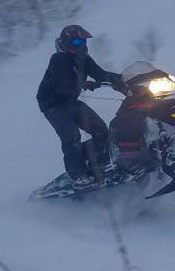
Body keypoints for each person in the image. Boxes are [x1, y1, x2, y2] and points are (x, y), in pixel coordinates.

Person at [36, 25, 123, 189]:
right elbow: (64, 85)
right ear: (67, 42)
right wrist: (84, 83)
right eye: (77, 40)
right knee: (71, 136)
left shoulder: (83, 58)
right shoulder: (58, 59)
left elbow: (101, 74)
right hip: (52, 103)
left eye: (83, 40)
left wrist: (126, 79)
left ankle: (94, 161)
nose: (81, 44)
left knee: (101, 130)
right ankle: (78, 176)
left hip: (70, 100)